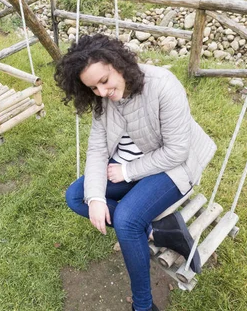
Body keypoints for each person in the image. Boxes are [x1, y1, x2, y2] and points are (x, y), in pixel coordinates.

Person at [54, 34, 217, 311]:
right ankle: (157, 232)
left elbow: (177, 151)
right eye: (92, 88)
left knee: (127, 219)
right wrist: (95, 197)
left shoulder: (163, 85)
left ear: (118, 63)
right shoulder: (103, 102)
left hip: (174, 168)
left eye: (104, 81)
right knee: (76, 196)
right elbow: (96, 151)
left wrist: (128, 171)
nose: (102, 92)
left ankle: (142, 306)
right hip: (124, 170)